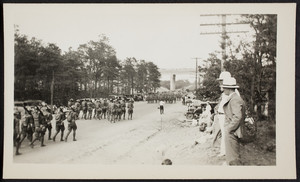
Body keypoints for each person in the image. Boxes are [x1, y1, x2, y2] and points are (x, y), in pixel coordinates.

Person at [221, 77, 246, 165]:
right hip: (233, 131)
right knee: (232, 155)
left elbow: (237, 117)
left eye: (224, 87)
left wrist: (229, 129)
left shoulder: (234, 99)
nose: (223, 89)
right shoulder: (234, 98)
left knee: (233, 157)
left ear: (228, 88)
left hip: (233, 132)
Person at [215, 71, 232, 157]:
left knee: (225, 134)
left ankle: (224, 151)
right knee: (223, 133)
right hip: (221, 115)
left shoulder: (231, 92)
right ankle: (223, 150)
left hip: (225, 116)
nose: (220, 83)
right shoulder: (225, 92)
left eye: (221, 81)